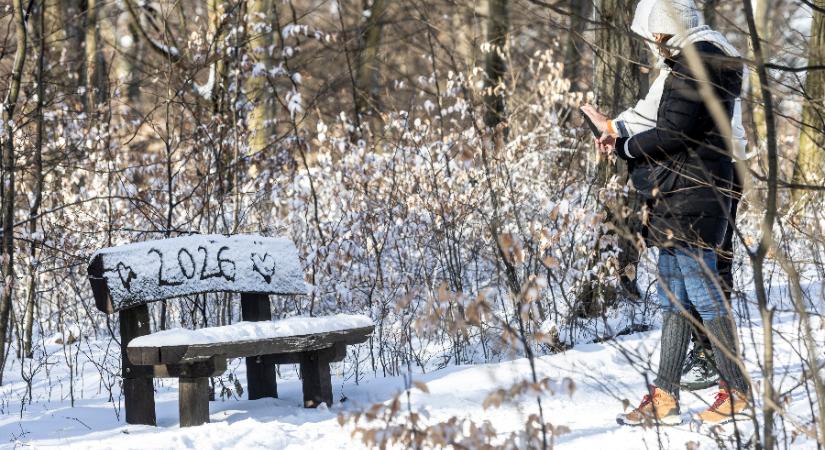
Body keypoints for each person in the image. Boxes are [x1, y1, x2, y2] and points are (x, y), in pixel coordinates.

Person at [588, 0, 750, 426]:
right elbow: (657, 116)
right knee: (673, 293)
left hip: (696, 189)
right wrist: (615, 129)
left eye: (650, 35)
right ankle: (664, 395)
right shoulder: (696, 62)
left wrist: (622, 144)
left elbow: (673, 130)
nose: (650, 45)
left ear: (662, 30)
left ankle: (736, 390)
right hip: (678, 189)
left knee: (700, 286)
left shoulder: (698, 63)